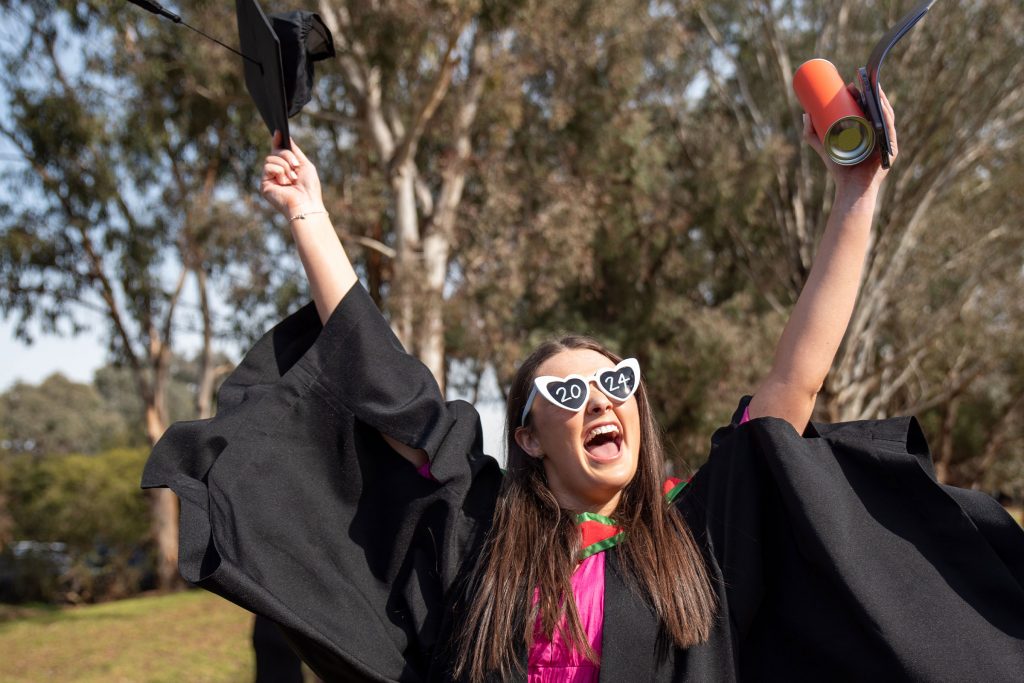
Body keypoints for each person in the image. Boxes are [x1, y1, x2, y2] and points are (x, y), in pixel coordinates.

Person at [143, 91, 1024, 682]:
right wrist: (309, 217)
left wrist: (854, 197)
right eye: (568, 394)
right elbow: (388, 382)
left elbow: (793, 380)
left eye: (617, 382)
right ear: (527, 436)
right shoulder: (484, 535)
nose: (603, 399)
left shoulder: (692, 532)